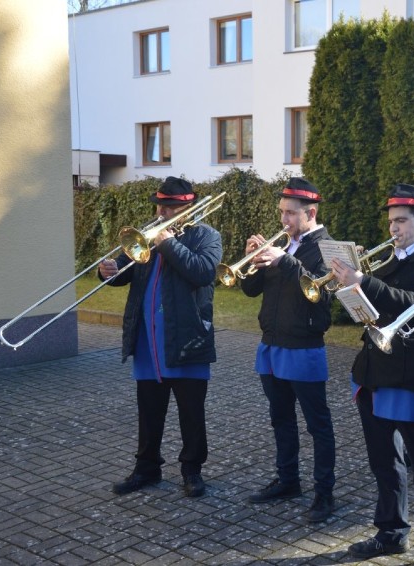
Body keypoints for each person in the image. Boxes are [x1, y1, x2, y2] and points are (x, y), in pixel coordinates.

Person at [330, 183, 414, 566]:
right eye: (390, 221)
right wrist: (354, 294)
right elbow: (378, 305)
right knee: (384, 461)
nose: (393, 229)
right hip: (374, 370)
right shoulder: (390, 259)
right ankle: (390, 531)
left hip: (412, 373)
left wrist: (363, 282)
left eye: (401, 221)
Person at [99, 176, 222, 498]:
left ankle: (192, 471)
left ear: (187, 209)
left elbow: (204, 272)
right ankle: (146, 468)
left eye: (170, 208)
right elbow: (124, 271)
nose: (163, 213)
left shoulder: (206, 236)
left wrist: (168, 242)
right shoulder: (146, 234)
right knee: (149, 411)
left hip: (186, 339)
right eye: (160, 206)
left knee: (191, 414)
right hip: (148, 342)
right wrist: (108, 271)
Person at [240, 177, 337, 523]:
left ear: (310, 212)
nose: (284, 221)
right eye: (282, 213)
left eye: (291, 214)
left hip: (304, 347)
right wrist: (253, 258)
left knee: (318, 425)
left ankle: (325, 494)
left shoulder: (328, 247)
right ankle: (288, 480)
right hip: (271, 344)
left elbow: (323, 295)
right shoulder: (282, 245)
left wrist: (285, 261)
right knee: (280, 419)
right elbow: (250, 290)